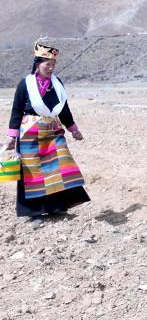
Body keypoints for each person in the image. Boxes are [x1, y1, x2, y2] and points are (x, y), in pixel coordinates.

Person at [4, 39, 89, 217]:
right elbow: (17, 110)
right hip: (29, 132)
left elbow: (63, 108)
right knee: (32, 171)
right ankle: (33, 212)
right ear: (38, 64)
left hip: (52, 131)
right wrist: (11, 136)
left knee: (58, 166)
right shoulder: (25, 84)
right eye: (47, 65)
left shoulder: (57, 84)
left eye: (53, 65)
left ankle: (56, 208)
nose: (51, 68)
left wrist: (73, 129)